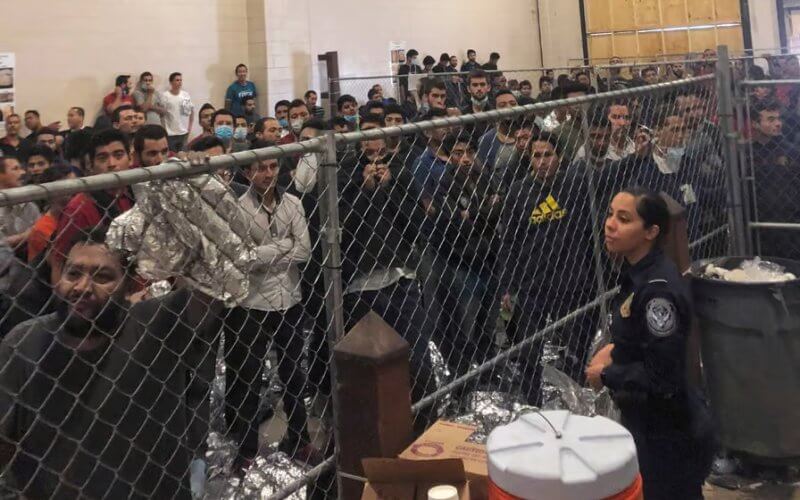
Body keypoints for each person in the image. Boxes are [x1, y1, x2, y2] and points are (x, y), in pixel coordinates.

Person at [0, 226, 224, 499]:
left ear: (129, 284)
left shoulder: (156, 325)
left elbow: (215, 280)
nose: (82, 287)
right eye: (74, 273)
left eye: (102, 277)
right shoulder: (24, 344)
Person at [586, 187, 713, 500]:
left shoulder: (657, 292)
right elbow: (639, 338)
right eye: (611, 214)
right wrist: (616, 348)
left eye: (624, 218)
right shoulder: (637, 274)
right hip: (647, 421)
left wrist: (606, 375)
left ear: (651, 232)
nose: (610, 224)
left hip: (666, 430)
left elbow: (662, 375)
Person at [226, 151, 321, 472]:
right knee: (249, 379)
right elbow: (241, 257)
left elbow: (305, 250)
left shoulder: (293, 202)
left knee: (294, 375)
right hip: (253, 304)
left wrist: (264, 252)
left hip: (289, 300)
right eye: (259, 168)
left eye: (271, 166)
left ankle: (298, 438)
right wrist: (284, 247)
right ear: (247, 172)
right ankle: (247, 447)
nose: (267, 173)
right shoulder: (238, 208)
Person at [337, 131, 436, 433]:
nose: (375, 156)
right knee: (372, 368)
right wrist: (365, 190)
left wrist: (390, 189)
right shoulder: (343, 178)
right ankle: (378, 431)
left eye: (381, 148)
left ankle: (426, 424)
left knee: (418, 360)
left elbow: (415, 226)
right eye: (369, 149)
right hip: (362, 286)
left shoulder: (401, 176)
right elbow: (345, 230)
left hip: (401, 277)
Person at [497, 132, 597, 405]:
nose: (542, 162)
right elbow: (509, 241)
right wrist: (507, 285)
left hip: (571, 280)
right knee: (530, 351)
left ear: (559, 157)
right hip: (532, 284)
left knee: (575, 347)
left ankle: (575, 400)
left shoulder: (574, 185)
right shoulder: (519, 191)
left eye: (548, 155)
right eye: (536, 156)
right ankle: (533, 403)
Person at [426, 134, 501, 392]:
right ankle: (464, 381)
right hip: (461, 262)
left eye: (470, 152)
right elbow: (453, 222)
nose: (466, 159)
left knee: (488, 323)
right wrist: (483, 214)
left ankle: (489, 373)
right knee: (465, 324)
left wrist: (473, 215)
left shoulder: (484, 177)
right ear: (449, 157)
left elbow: (498, 208)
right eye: (459, 153)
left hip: (488, 258)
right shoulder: (443, 183)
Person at [50, 129, 134, 279]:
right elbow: (59, 265)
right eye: (102, 158)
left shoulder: (134, 194)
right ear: (91, 166)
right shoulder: (79, 209)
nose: (112, 164)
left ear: (130, 158)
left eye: (118, 155)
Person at [748, 99, 800, 260]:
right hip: (758, 215)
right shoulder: (746, 152)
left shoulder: (790, 150)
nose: (778, 124)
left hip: (789, 215)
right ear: (755, 123)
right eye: (771, 119)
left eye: (779, 119)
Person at [27, 165, 76, 263]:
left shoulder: (80, 212)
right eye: (67, 185)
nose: (75, 188)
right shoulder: (41, 229)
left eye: (76, 183)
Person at [0, 155, 40, 253]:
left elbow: (40, 231)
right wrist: (26, 235)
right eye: (15, 169)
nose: (23, 172)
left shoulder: (28, 204)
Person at [476, 90, 519, 173]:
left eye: (513, 104)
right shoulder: (486, 140)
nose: (509, 108)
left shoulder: (528, 132)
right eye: (502, 105)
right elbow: (484, 174)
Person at [162, 72, 194, 152]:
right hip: (170, 133)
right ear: (171, 82)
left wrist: (189, 127)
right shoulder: (165, 96)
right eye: (177, 80)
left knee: (183, 157)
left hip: (183, 133)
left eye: (180, 80)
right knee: (172, 157)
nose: (180, 82)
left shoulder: (185, 95)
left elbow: (191, 111)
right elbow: (162, 114)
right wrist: (164, 129)